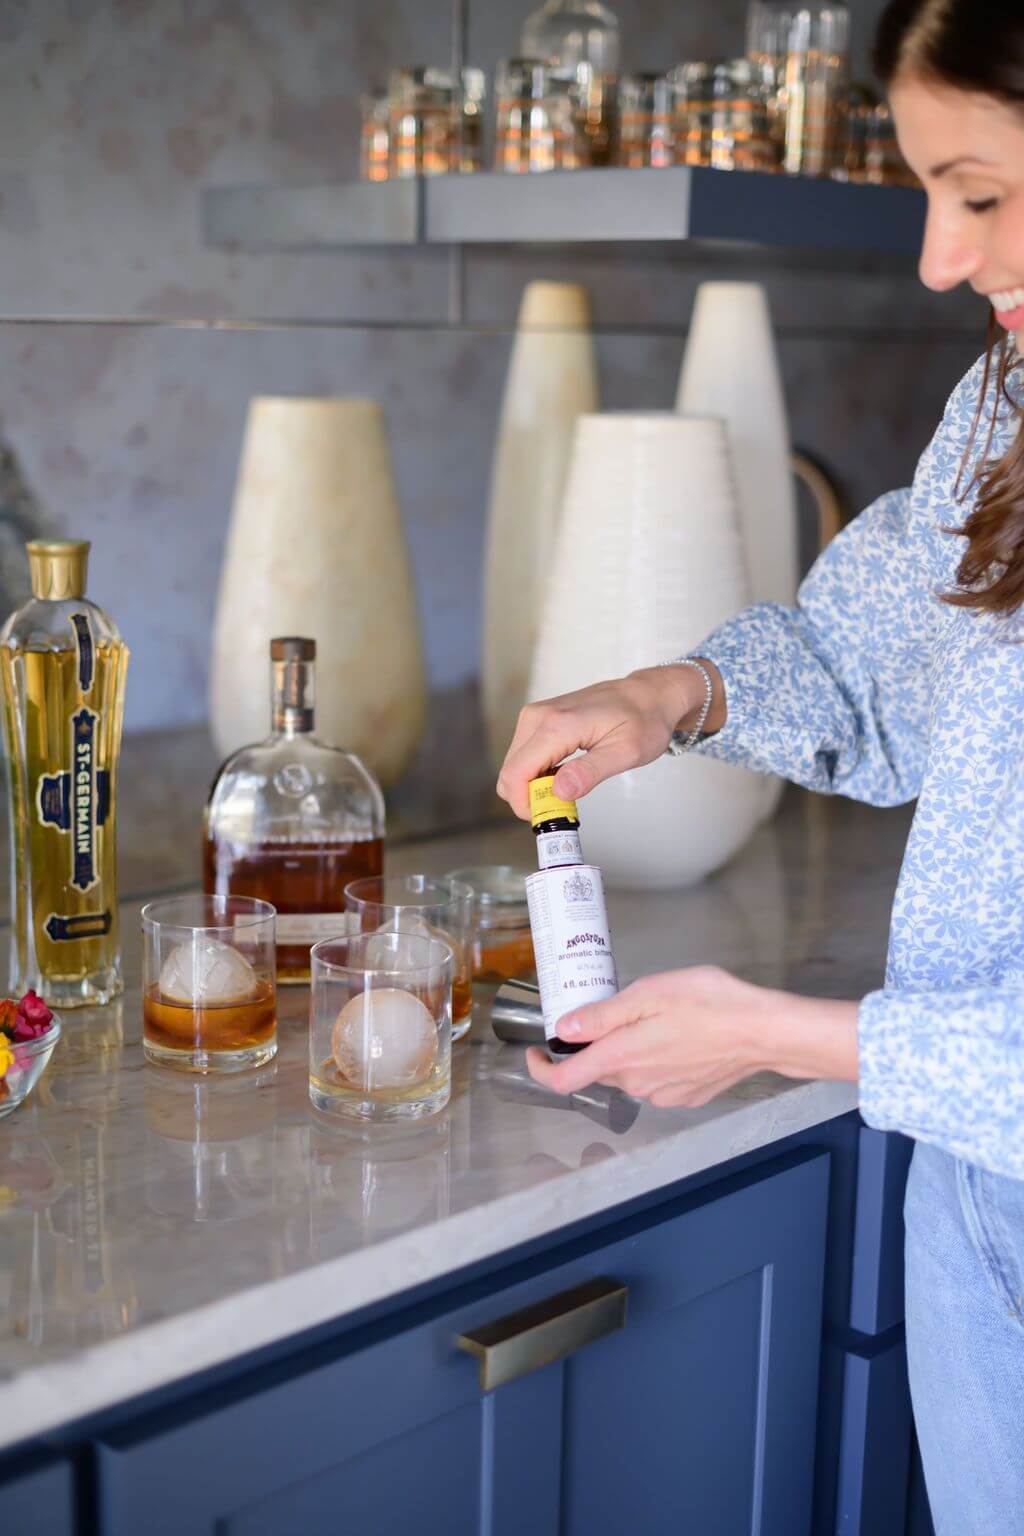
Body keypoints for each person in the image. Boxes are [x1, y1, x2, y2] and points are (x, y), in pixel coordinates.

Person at [496, 2, 1024, 1529]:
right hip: (983, 1206)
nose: (938, 259)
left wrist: (798, 1037)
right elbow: (882, 661)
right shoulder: (1008, 400)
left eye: (979, 194)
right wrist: (684, 690)